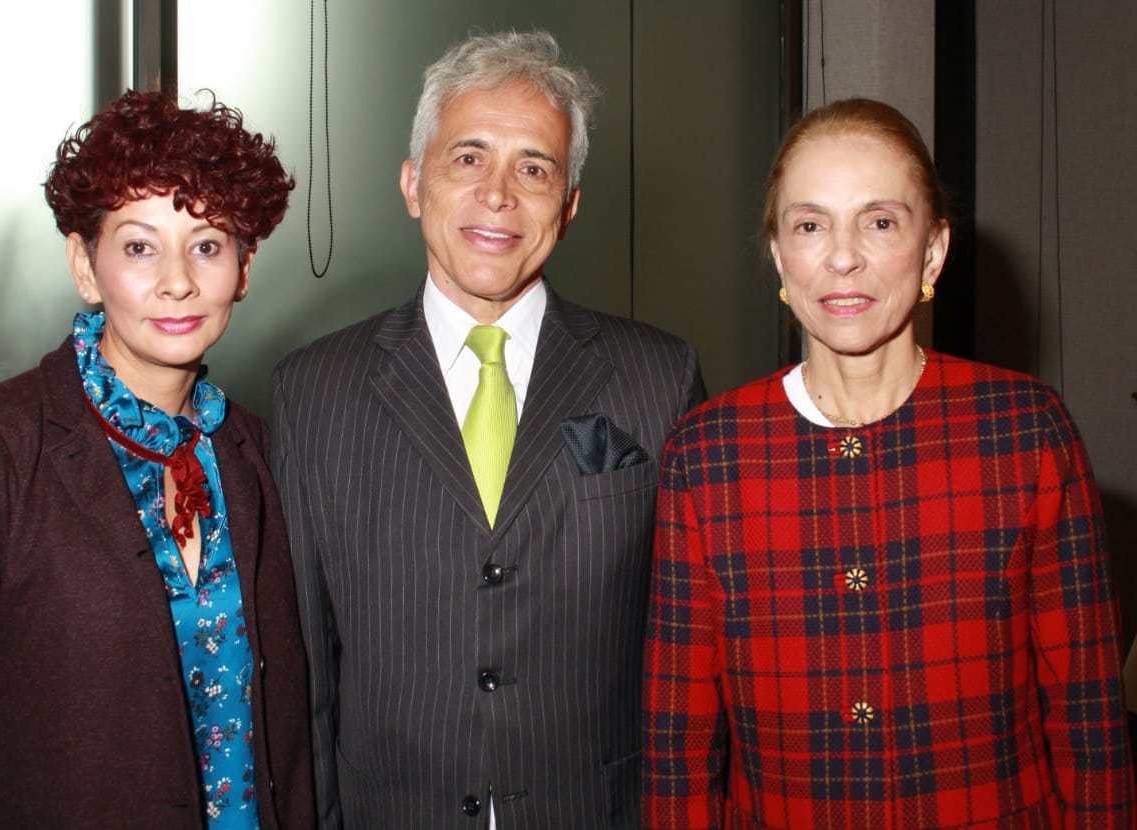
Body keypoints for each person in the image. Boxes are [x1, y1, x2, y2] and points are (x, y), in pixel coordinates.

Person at [643, 97, 1135, 829]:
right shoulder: (707, 453)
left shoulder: (1026, 432)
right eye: (810, 225)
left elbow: (1088, 710)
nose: (843, 257)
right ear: (780, 254)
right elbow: (676, 743)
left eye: (880, 222)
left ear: (932, 250)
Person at [272, 30, 705, 828]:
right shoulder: (314, 392)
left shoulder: (660, 377)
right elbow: (305, 673)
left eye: (534, 168)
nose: (500, 194)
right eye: (468, 157)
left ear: (569, 207)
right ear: (412, 183)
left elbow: (688, 655)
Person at [0, 90, 314, 829]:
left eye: (207, 245)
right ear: (84, 263)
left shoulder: (260, 451)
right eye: (139, 246)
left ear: (243, 267)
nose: (178, 280)